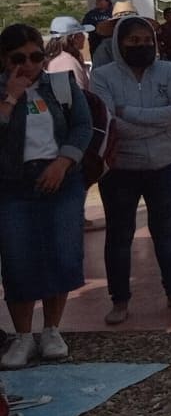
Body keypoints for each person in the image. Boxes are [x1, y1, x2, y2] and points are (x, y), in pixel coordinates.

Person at [91, 16, 171, 323]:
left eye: (147, 39)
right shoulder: (103, 76)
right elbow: (110, 121)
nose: (142, 45)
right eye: (133, 41)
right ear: (118, 44)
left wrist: (130, 113)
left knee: (165, 233)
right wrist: (155, 123)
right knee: (119, 235)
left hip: (165, 166)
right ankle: (120, 300)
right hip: (120, 169)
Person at [0, 24, 91, 368]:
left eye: (36, 56)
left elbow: (82, 126)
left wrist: (64, 162)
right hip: (13, 185)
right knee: (18, 259)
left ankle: (52, 329)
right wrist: (10, 97)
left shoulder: (60, 84)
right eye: (19, 58)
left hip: (60, 178)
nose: (29, 64)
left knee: (62, 253)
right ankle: (23, 336)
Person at [45, 17, 90, 88]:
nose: (84, 36)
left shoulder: (58, 58)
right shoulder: (67, 61)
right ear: (73, 37)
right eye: (81, 33)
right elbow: (78, 94)